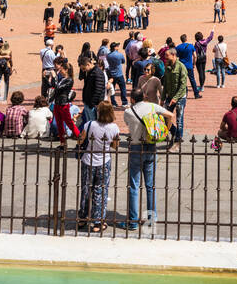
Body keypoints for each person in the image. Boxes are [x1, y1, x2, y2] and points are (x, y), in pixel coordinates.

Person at [123, 89, 173, 229]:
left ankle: (133, 220)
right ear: (143, 97)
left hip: (136, 147)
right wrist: (165, 130)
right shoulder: (152, 107)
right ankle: (152, 218)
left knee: (134, 185)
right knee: (150, 186)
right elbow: (170, 115)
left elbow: (129, 126)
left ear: (132, 99)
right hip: (151, 146)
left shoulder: (128, 112)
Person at [77, 102, 119, 232]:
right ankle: (98, 221)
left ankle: (83, 218)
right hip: (103, 161)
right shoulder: (114, 128)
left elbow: (80, 140)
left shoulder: (89, 125)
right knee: (101, 190)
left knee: (86, 189)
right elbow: (115, 146)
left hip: (88, 160)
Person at [162, 46, 188, 146]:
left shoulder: (181, 67)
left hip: (180, 97)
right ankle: (175, 132)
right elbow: (165, 84)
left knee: (179, 119)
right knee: (164, 116)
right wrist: (163, 98)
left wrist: (176, 98)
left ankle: (178, 140)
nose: (165, 58)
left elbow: (183, 85)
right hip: (170, 96)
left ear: (173, 55)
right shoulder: (167, 66)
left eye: (167, 56)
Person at [51, 57, 79, 145]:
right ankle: (62, 143)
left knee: (69, 123)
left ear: (66, 70)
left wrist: (55, 77)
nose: (60, 71)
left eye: (62, 69)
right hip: (57, 103)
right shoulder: (62, 79)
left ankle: (79, 138)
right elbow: (54, 86)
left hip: (63, 104)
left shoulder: (69, 80)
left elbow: (58, 88)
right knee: (59, 125)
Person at [175, 33, 200, 99]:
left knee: (183, 81)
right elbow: (195, 56)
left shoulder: (178, 47)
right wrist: (194, 64)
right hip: (189, 65)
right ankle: (196, 94)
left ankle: (184, 94)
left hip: (182, 66)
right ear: (186, 39)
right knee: (192, 80)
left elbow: (175, 56)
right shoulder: (191, 46)